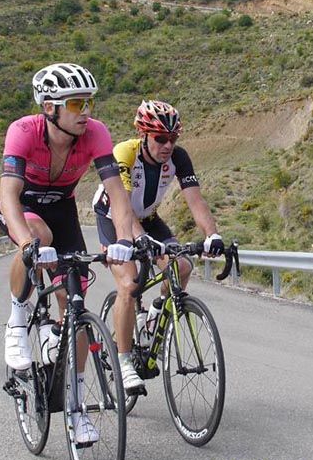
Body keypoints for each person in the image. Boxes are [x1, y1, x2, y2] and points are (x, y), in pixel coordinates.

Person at [0, 62, 137, 445]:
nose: (86, 111)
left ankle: (75, 408)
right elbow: (8, 195)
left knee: (74, 302)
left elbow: (117, 194)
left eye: (89, 102)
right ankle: (17, 318)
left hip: (63, 209)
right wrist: (27, 245)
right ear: (49, 108)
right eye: (76, 104)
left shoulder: (96, 133)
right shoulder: (23, 131)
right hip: (24, 207)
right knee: (38, 237)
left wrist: (124, 240)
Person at [92, 99, 223, 395]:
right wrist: (138, 239)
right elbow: (124, 207)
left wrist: (212, 235)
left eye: (173, 138)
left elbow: (196, 201)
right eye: (161, 138)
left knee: (182, 266)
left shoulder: (179, 157)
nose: (168, 145)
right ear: (143, 134)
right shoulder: (125, 153)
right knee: (130, 284)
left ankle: (155, 314)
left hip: (148, 218)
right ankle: (124, 361)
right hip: (113, 217)